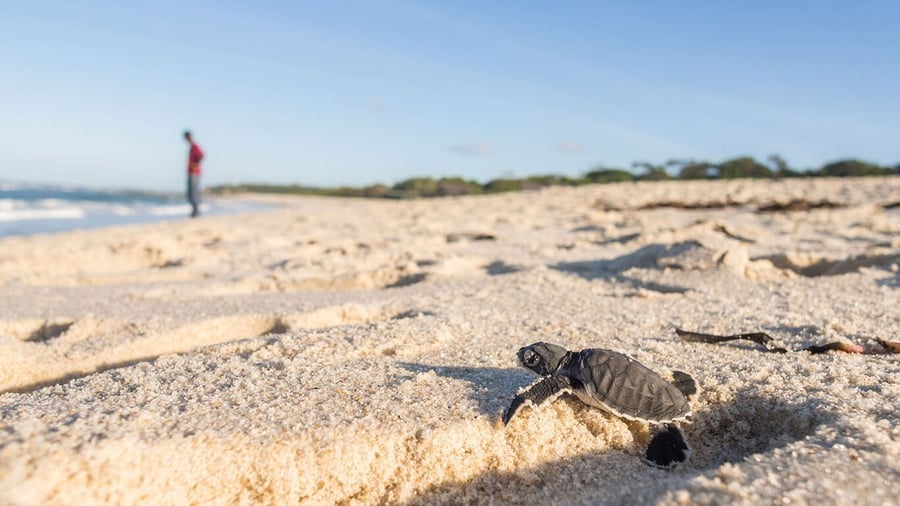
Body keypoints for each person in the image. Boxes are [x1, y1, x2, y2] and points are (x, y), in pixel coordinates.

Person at [183, 130, 204, 218]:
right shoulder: (192, 146)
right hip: (191, 172)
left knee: (193, 192)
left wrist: (196, 164)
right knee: (191, 193)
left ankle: (196, 212)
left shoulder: (195, 146)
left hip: (194, 173)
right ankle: (194, 211)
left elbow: (201, 155)